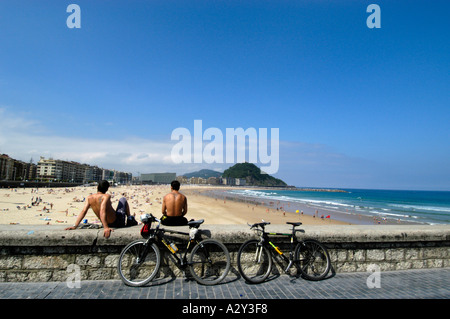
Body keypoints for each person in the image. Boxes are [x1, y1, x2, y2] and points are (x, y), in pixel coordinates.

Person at [65, 180, 137, 238]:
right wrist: (106, 228)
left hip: (105, 222)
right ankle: (130, 218)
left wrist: (75, 226)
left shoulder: (89, 198)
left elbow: (84, 211)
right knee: (123, 199)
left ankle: (129, 218)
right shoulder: (106, 196)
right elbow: (102, 211)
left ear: (97, 187)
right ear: (107, 188)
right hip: (117, 222)